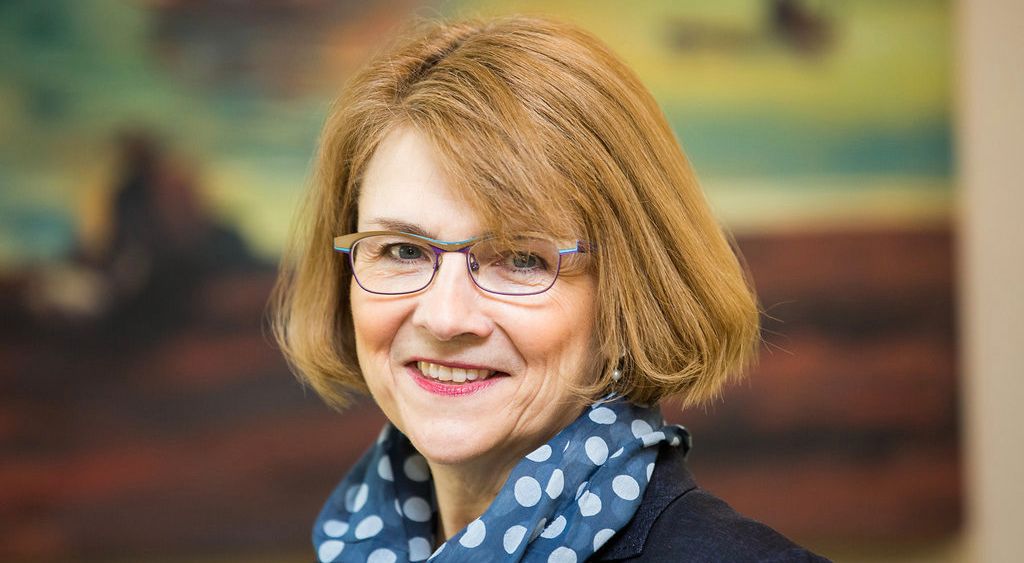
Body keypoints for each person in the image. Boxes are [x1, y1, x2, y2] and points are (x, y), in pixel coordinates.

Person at [271, 15, 830, 562]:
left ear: (628, 293)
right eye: (403, 251)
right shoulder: (353, 543)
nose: (444, 318)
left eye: (520, 259)